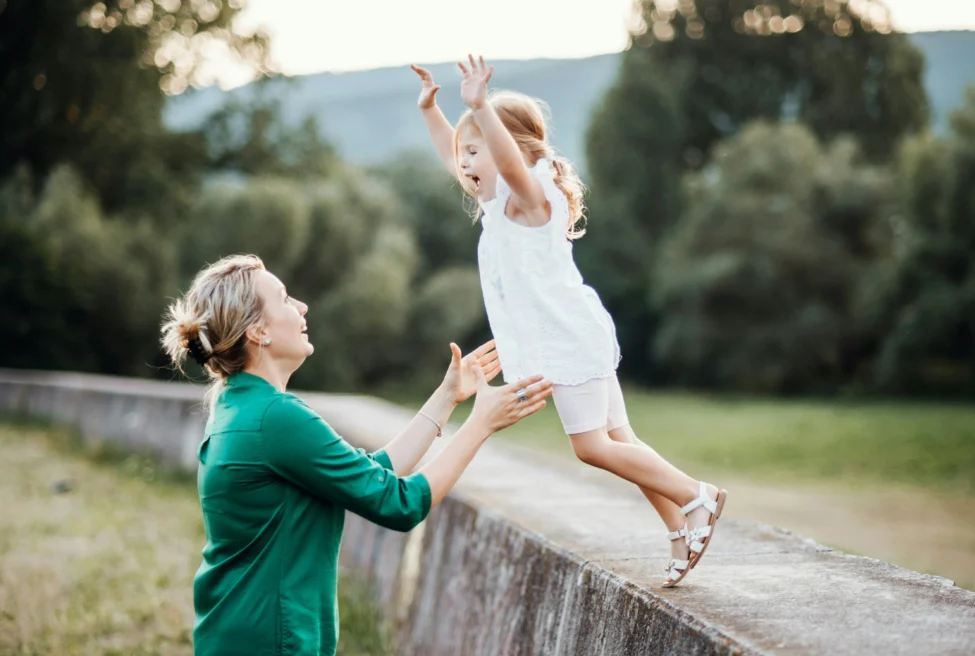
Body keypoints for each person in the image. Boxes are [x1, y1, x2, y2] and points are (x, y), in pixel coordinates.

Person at [409, 56, 727, 588]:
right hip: (574, 331)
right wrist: (432, 111)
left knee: (591, 446)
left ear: (512, 148)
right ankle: (677, 525)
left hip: (569, 339)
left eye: (475, 149)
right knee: (619, 436)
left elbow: (507, 163)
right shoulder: (496, 203)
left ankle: (699, 496)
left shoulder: (531, 197)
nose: (463, 162)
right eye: (464, 152)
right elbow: (454, 155)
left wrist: (481, 106)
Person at [160, 254, 553, 655]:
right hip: (269, 642)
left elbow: (369, 475)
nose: (301, 307)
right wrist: (480, 425)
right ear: (258, 331)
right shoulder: (275, 418)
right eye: (284, 299)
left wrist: (448, 396)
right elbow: (399, 504)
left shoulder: (240, 405)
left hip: (237, 635)